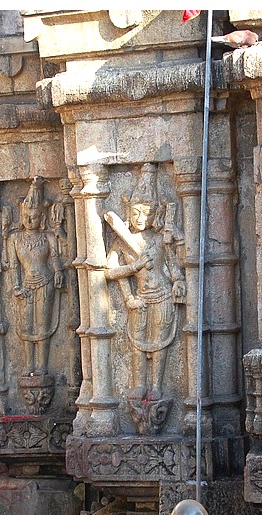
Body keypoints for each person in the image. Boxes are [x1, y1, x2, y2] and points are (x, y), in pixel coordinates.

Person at [104, 163, 185, 401]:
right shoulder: (123, 241)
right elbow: (110, 272)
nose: (141, 218)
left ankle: (156, 385)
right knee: (137, 342)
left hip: (162, 295)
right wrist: (131, 281)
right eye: (137, 212)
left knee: (160, 343)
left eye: (148, 213)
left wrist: (178, 280)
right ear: (129, 211)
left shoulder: (160, 240)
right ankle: (139, 384)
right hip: (139, 297)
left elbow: (172, 266)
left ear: (156, 214)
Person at [6, 177, 64, 377]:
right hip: (26, 285)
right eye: (26, 216)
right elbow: (14, 266)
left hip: (45, 282)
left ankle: (42, 365)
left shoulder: (48, 237)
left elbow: (55, 257)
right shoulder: (15, 239)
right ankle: (28, 364)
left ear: (43, 217)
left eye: (35, 217)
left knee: (42, 324)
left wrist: (58, 272)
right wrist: (16, 287)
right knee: (26, 324)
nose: (30, 221)